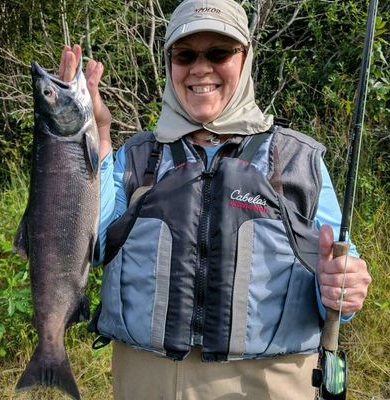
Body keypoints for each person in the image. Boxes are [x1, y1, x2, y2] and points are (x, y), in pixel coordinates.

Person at [59, 0, 371, 398]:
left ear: (245, 59)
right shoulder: (136, 157)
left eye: (219, 52)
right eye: (185, 55)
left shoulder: (298, 159)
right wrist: (92, 134)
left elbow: (338, 278)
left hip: (270, 383)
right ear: (170, 63)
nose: (200, 68)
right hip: (148, 381)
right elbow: (91, 246)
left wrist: (342, 286)